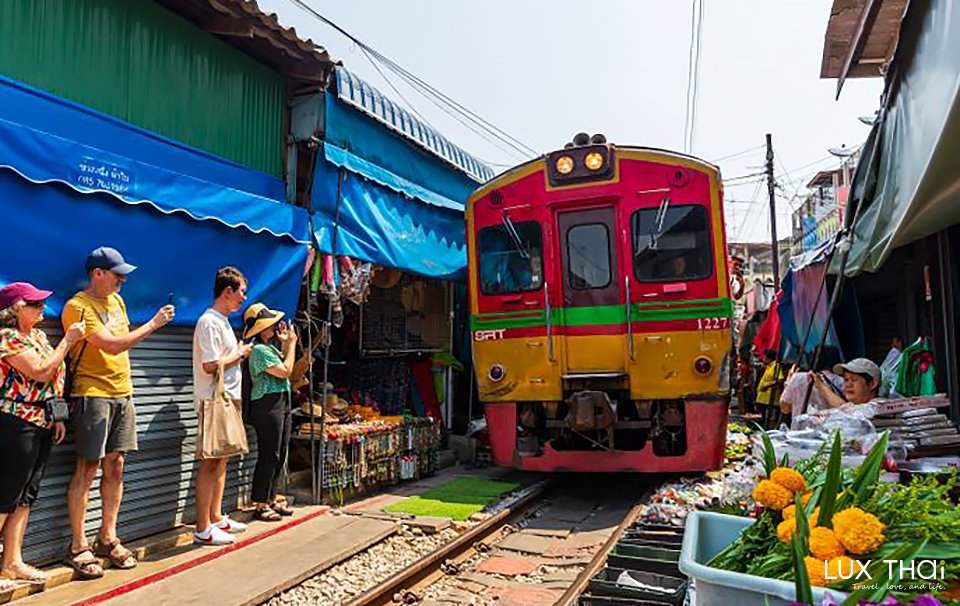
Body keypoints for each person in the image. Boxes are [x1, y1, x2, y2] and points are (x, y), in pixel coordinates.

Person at [61, 247, 175, 579]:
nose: (122, 281)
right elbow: (111, 345)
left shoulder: (117, 302)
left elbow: (122, 342)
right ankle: (78, 545)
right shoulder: (77, 307)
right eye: (117, 275)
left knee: (117, 465)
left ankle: (108, 537)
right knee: (87, 468)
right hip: (92, 393)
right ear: (97, 273)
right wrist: (153, 324)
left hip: (123, 392)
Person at [0, 284, 85, 585]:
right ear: (15, 309)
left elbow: (54, 378)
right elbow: (40, 371)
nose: (42, 309)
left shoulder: (37, 336)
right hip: (16, 420)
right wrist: (68, 341)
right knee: (6, 494)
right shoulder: (7, 337)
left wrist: (57, 414)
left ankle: (12, 562)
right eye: (34, 304)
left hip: (42, 420)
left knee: (26, 495)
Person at [192, 267, 252, 546]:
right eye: (241, 292)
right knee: (210, 461)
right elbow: (209, 365)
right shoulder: (209, 322)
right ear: (228, 291)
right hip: (213, 400)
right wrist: (238, 354)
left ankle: (215, 517)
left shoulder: (223, 321)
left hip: (228, 398)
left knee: (222, 458)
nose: (244, 298)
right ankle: (202, 527)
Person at [243, 303, 296, 522]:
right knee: (269, 454)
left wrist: (285, 345)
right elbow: (285, 371)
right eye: (270, 324)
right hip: (266, 404)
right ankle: (260, 503)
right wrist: (292, 344)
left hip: (280, 401)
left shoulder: (270, 348)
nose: (274, 327)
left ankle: (271, 498)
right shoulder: (259, 350)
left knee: (280, 453)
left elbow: (285, 367)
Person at [780, 346, 844, 423]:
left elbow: (785, 408)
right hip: (830, 429)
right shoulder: (840, 382)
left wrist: (787, 384)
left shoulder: (797, 378)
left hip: (799, 428)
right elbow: (847, 409)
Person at [813, 358, 883, 408]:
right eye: (846, 380)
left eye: (854, 380)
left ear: (872, 384)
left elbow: (846, 410)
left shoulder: (880, 405)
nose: (848, 385)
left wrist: (822, 387)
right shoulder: (856, 406)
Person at [755, 349, 786, 428]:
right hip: (763, 399)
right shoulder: (769, 366)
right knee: (762, 418)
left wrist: (768, 385)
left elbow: (780, 379)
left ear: (767, 358)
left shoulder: (776, 366)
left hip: (769, 400)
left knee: (769, 419)